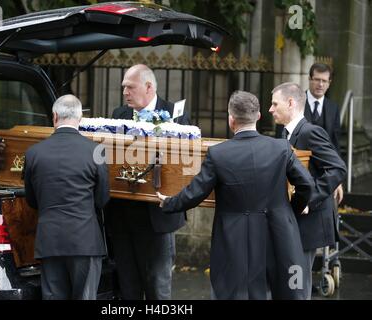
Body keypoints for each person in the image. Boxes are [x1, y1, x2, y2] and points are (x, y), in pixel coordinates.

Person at [157, 90, 315, 300]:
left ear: (231, 119)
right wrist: (290, 209)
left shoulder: (218, 153)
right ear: (258, 116)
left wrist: (168, 202)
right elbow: (307, 184)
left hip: (234, 236)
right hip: (278, 230)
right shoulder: (281, 148)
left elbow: (195, 193)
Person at [105, 64, 190, 300]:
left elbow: (185, 162)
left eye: (130, 87)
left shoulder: (176, 115)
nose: (125, 93)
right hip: (123, 213)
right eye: (123, 88)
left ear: (149, 87)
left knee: (157, 286)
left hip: (157, 216)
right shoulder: (118, 114)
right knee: (128, 286)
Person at [24, 94, 110, 300]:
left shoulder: (34, 153)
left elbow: (31, 200)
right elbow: (102, 199)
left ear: (54, 116)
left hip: (50, 240)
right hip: (85, 240)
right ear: (80, 119)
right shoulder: (95, 151)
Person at [269, 82, 347, 299]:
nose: (270, 109)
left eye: (275, 104)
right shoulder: (285, 133)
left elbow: (338, 168)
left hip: (308, 222)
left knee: (298, 286)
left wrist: (308, 199)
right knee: (293, 284)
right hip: (294, 221)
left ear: (291, 103)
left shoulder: (311, 132)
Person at [276, 63, 344, 204]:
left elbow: (335, 145)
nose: (320, 84)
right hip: (298, 176)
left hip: (324, 178)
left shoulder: (333, 108)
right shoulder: (294, 104)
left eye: (324, 81)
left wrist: (337, 181)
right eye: (317, 79)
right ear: (309, 79)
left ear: (329, 83)